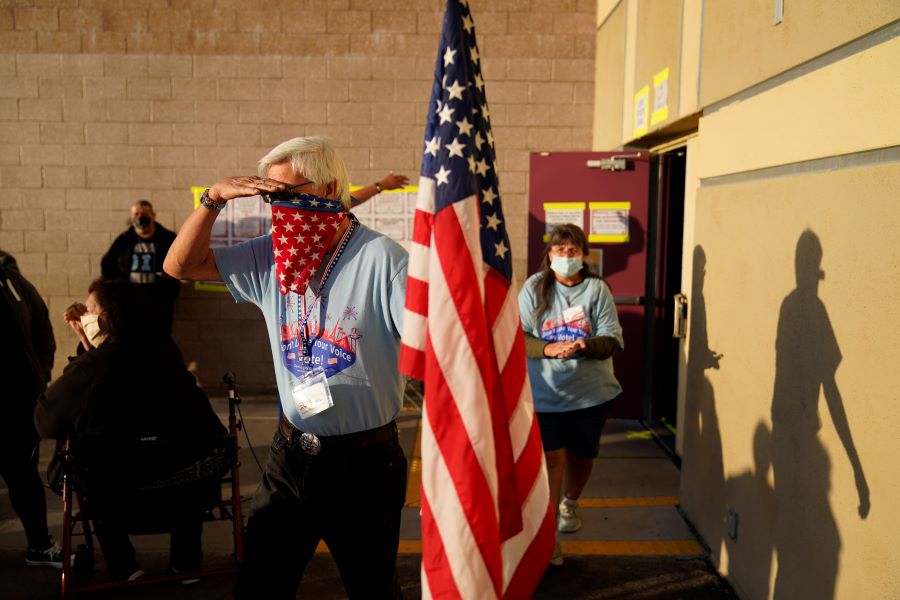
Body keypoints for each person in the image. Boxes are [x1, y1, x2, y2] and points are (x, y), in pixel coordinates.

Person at [164, 136, 409, 599]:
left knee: (372, 586)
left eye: (287, 195)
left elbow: (430, 346)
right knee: (260, 585)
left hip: (365, 465)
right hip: (291, 456)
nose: (279, 209)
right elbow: (180, 266)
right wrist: (212, 201)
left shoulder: (383, 259)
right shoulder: (272, 253)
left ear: (329, 187)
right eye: (269, 197)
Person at [34, 278, 227, 581]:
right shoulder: (167, 355)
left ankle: (123, 564)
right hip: (182, 493)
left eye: (90, 310)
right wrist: (89, 345)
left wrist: (88, 354)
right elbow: (210, 430)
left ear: (108, 317)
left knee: (86, 459)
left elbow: (45, 420)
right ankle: (187, 562)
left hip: (116, 498)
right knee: (187, 452)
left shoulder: (90, 370)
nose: (85, 315)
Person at [517, 224, 623, 566]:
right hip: (547, 394)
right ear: (549, 256)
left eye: (572, 251)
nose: (565, 257)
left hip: (590, 394)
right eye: (559, 251)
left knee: (582, 456)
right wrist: (549, 349)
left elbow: (611, 339)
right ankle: (549, 537)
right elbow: (519, 337)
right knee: (552, 458)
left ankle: (570, 503)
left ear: (584, 256)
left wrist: (584, 345)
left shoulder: (597, 290)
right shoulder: (534, 287)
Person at [0, 251, 62, 568]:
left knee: (23, 478)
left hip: (18, 404)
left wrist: (41, 374)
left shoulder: (11, 280)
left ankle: (39, 546)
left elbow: (42, 326)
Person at [100, 200, 180, 332]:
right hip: (130, 302)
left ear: (153, 215)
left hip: (159, 303)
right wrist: (119, 288)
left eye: (144, 213)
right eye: (136, 214)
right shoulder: (124, 240)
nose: (140, 217)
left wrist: (169, 292)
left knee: (160, 338)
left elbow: (180, 263)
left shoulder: (168, 239)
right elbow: (107, 264)